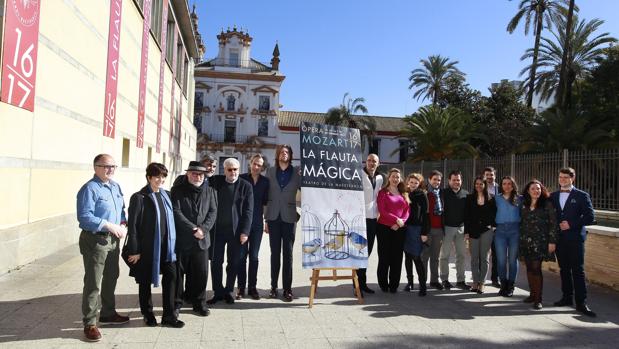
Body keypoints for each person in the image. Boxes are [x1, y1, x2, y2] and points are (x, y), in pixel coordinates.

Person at [76, 154, 129, 342]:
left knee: (111, 276)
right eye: (106, 166)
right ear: (95, 167)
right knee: (93, 281)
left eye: (113, 166)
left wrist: (122, 223)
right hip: (95, 240)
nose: (111, 169)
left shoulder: (115, 186)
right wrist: (107, 225)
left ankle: (107, 313)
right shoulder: (89, 189)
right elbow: (84, 217)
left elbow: (121, 210)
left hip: (113, 240)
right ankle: (90, 323)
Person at [126, 163, 184, 328]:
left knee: (172, 277)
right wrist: (135, 250)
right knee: (144, 282)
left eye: (163, 176)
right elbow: (133, 226)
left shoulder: (167, 195)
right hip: (147, 248)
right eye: (157, 176)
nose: (161, 180)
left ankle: (169, 316)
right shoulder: (140, 197)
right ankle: (148, 313)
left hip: (168, 248)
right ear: (149, 177)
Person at [171, 161, 217, 317]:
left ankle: (199, 303)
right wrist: (193, 228)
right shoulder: (177, 191)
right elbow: (177, 212)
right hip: (183, 239)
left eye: (201, 174)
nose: (198, 177)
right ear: (188, 174)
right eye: (194, 173)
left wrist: (203, 229)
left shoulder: (211, 191)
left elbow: (213, 213)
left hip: (202, 239)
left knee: (201, 274)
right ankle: (176, 304)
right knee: (178, 275)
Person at [550, 167, 596, 317]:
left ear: (572, 178)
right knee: (564, 269)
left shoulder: (582, 195)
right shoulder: (554, 196)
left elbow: (590, 217)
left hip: (575, 238)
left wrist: (571, 224)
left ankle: (581, 302)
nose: (562, 180)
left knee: (578, 270)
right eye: (560, 177)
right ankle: (567, 298)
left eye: (565, 177)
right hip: (560, 239)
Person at [208, 158, 253, 305]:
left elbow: (248, 211)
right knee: (215, 263)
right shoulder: (216, 181)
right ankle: (217, 291)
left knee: (233, 263)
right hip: (217, 231)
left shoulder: (246, 186)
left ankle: (228, 291)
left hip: (236, 232)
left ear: (239, 170)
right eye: (229, 169)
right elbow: (202, 177)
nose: (232, 172)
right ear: (224, 170)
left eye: (235, 169)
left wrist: (245, 232)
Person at [265, 144, 301, 302]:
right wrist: (265, 219)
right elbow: (266, 196)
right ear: (277, 154)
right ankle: (273, 287)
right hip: (273, 218)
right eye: (281, 152)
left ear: (290, 155)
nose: (284, 154)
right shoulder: (270, 171)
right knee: (274, 254)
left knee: (288, 255)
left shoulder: (297, 172)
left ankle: (287, 289)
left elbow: (307, 189)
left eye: (287, 152)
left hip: (289, 218)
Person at [519, 179, 558, 310]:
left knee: (536, 269)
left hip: (541, 242)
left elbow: (553, 224)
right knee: (529, 268)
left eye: (538, 189)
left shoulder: (547, 204)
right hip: (525, 241)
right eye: (533, 189)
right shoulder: (524, 204)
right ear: (528, 191)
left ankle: (538, 299)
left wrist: (552, 241)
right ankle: (532, 294)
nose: (536, 191)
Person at [237, 154, 269, 300]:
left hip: (257, 223)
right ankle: (241, 288)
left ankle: (252, 288)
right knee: (241, 257)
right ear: (250, 164)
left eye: (260, 165)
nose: (257, 167)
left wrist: (266, 221)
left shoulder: (265, 182)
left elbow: (265, 203)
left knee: (254, 257)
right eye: (255, 164)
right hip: (242, 224)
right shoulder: (242, 178)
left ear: (262, 167)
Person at [376, 168, 410, 293]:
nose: (395, 179)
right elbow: (382, 210)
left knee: (397, 258)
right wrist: (397, 220)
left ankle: (394, 285)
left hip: (400, 229)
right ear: (389, 178)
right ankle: (383, 284)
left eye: (397, 177)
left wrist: (401, 222)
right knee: (384, 257)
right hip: (384, 228)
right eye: (393, 176)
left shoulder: (404, 193)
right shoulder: (383, 192)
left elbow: (407, 211)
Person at [464, 176, 496, 294]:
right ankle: (475, 282)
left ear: (485, 185)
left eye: (481, 184)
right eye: (476, 184)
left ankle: (482, 283)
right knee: (474, 258)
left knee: (485, 258)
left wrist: (492, 226)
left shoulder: (491, 199)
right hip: (473, 232)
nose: (478, 186)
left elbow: (494, 214)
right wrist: (466, 232)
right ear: (474, 185)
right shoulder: (469, 198)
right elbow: (466, 216)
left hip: (487, 231)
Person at [439, 170, 470, 290]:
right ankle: (444, 280)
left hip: (461, 229)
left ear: (461, 181)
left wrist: (467, 230)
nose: (456, 182)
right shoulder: (443, 193)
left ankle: (461, 280)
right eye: (454, 180)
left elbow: (468, 214)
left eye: (458, 180)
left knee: (461, 255)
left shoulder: (466, 194)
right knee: (444, 255)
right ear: (449, 181)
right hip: (447, 228)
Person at [359, 153, 384, 295]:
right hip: (360, 219)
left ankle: (363, 284)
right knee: (360, 251)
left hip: (374, 220)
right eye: (369, 160)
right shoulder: (359, 175)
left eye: (374, 161)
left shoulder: (380, 178)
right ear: (365, 162)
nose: (371, 163)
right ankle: (358, 285)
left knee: (367, 253)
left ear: (378, 163)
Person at [494, 176, 521, 297]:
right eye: (504, 183)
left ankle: (511, 286)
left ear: (513, 185)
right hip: (500, 231)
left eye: (509, 183)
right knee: (501, 260)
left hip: (515, 230)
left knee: (512, 260)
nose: (507, 186)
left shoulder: (520, 199)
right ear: (501, 185)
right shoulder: (496, 198)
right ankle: (503, 284)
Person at [403, 173, 429, 296]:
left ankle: (422, 286)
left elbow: (426, 214)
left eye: (415, 182)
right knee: (407, 257)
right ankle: (410, 283)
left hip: (417, 230)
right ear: (408, 182)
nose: (413, 184)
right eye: (411, 182)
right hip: (406, 229)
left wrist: (424, 232)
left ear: (419, 183)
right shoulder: (405, 194)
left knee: (417, 258)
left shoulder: (422, 194)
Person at [425, 170, 445, 290]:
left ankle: (434, 280)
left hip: (439, 230)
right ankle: (422, 281)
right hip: (427, 230)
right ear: (429, 180)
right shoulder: (425, 193)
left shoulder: (441, 193)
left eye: (439, 180)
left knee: (435, 257)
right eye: (434, 179)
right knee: (424, 257)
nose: (437, 182)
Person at [483, 167, 501, 288]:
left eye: (491, 175)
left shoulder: (501, 188)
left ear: (495, 175)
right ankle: (480, 279)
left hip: (498, 226)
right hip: (483, 226)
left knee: (497, 254)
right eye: (487, 175)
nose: (489, 177)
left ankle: (495, 279)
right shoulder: (479, 187)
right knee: (483, 254)